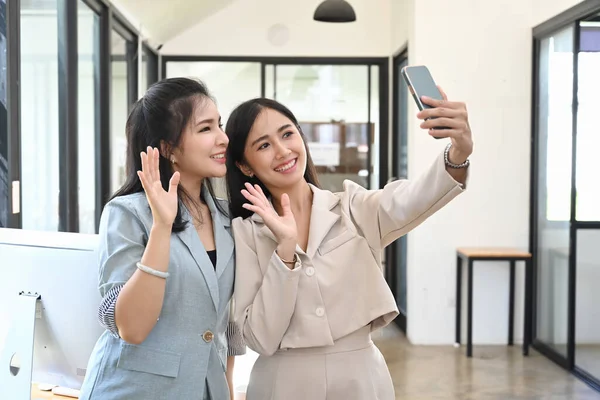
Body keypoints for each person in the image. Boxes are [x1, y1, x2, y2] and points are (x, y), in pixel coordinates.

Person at [224, 91, 472, 399]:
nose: (282, 150)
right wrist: (285, 252)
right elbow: (259, 337)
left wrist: (459, 150)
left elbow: (414, 198)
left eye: (287, 134)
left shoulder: (353, 206)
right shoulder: (245, 233)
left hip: (362, 380)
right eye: (263, 145)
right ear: (245, 166)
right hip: (282, 384)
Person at [79, 77, 245, 400]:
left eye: (220, 125)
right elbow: (132, 327)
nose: (223, 138)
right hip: (133, 391)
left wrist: (226, 387)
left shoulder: (227, 218)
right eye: (206, 129)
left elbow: (225, 323)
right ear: (168, 149)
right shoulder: (127, 213)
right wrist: (162, 227)